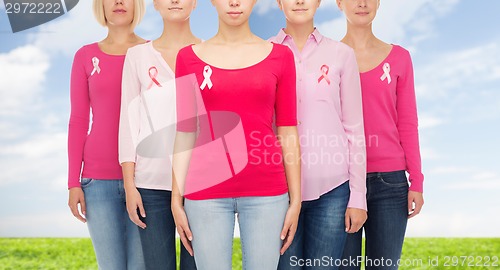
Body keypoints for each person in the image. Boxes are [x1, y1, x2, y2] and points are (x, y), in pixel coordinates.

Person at [171, 0, 302, 268]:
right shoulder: (187, 58)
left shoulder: (281, 56)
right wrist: (176, 199)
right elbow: (185, 132)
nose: (234, 2)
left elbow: (287, 129)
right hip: (205, 192)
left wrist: (296, 199)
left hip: (267, 192)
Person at [270, 0, 367, 269]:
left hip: (332, 191)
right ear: (279, 3)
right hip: (279, 192)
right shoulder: (263, 53)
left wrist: (358, 196)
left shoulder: (341, 54)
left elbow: (354, 128)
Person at [337, 0, 425, 269]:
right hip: (341, 182)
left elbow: (407, 122)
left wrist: (417, 181)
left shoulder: (399, 58)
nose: (361, 3)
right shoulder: (329, 57)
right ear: (339, 3)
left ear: (378, 3)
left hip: (390, 184)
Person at [118, 0, 201, 269]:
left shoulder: (210, 53)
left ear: (195, 3)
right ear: (155, 3)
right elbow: (129, 124)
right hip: (150, 186)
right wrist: (130, 186)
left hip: (200, 184)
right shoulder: (137, 57)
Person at [67, 0, 146, 269]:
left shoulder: (152, 53)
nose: (119, 2)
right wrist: (73, 182)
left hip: (145, 180)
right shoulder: (85, 56)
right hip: (97, 183)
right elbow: (78, 121)